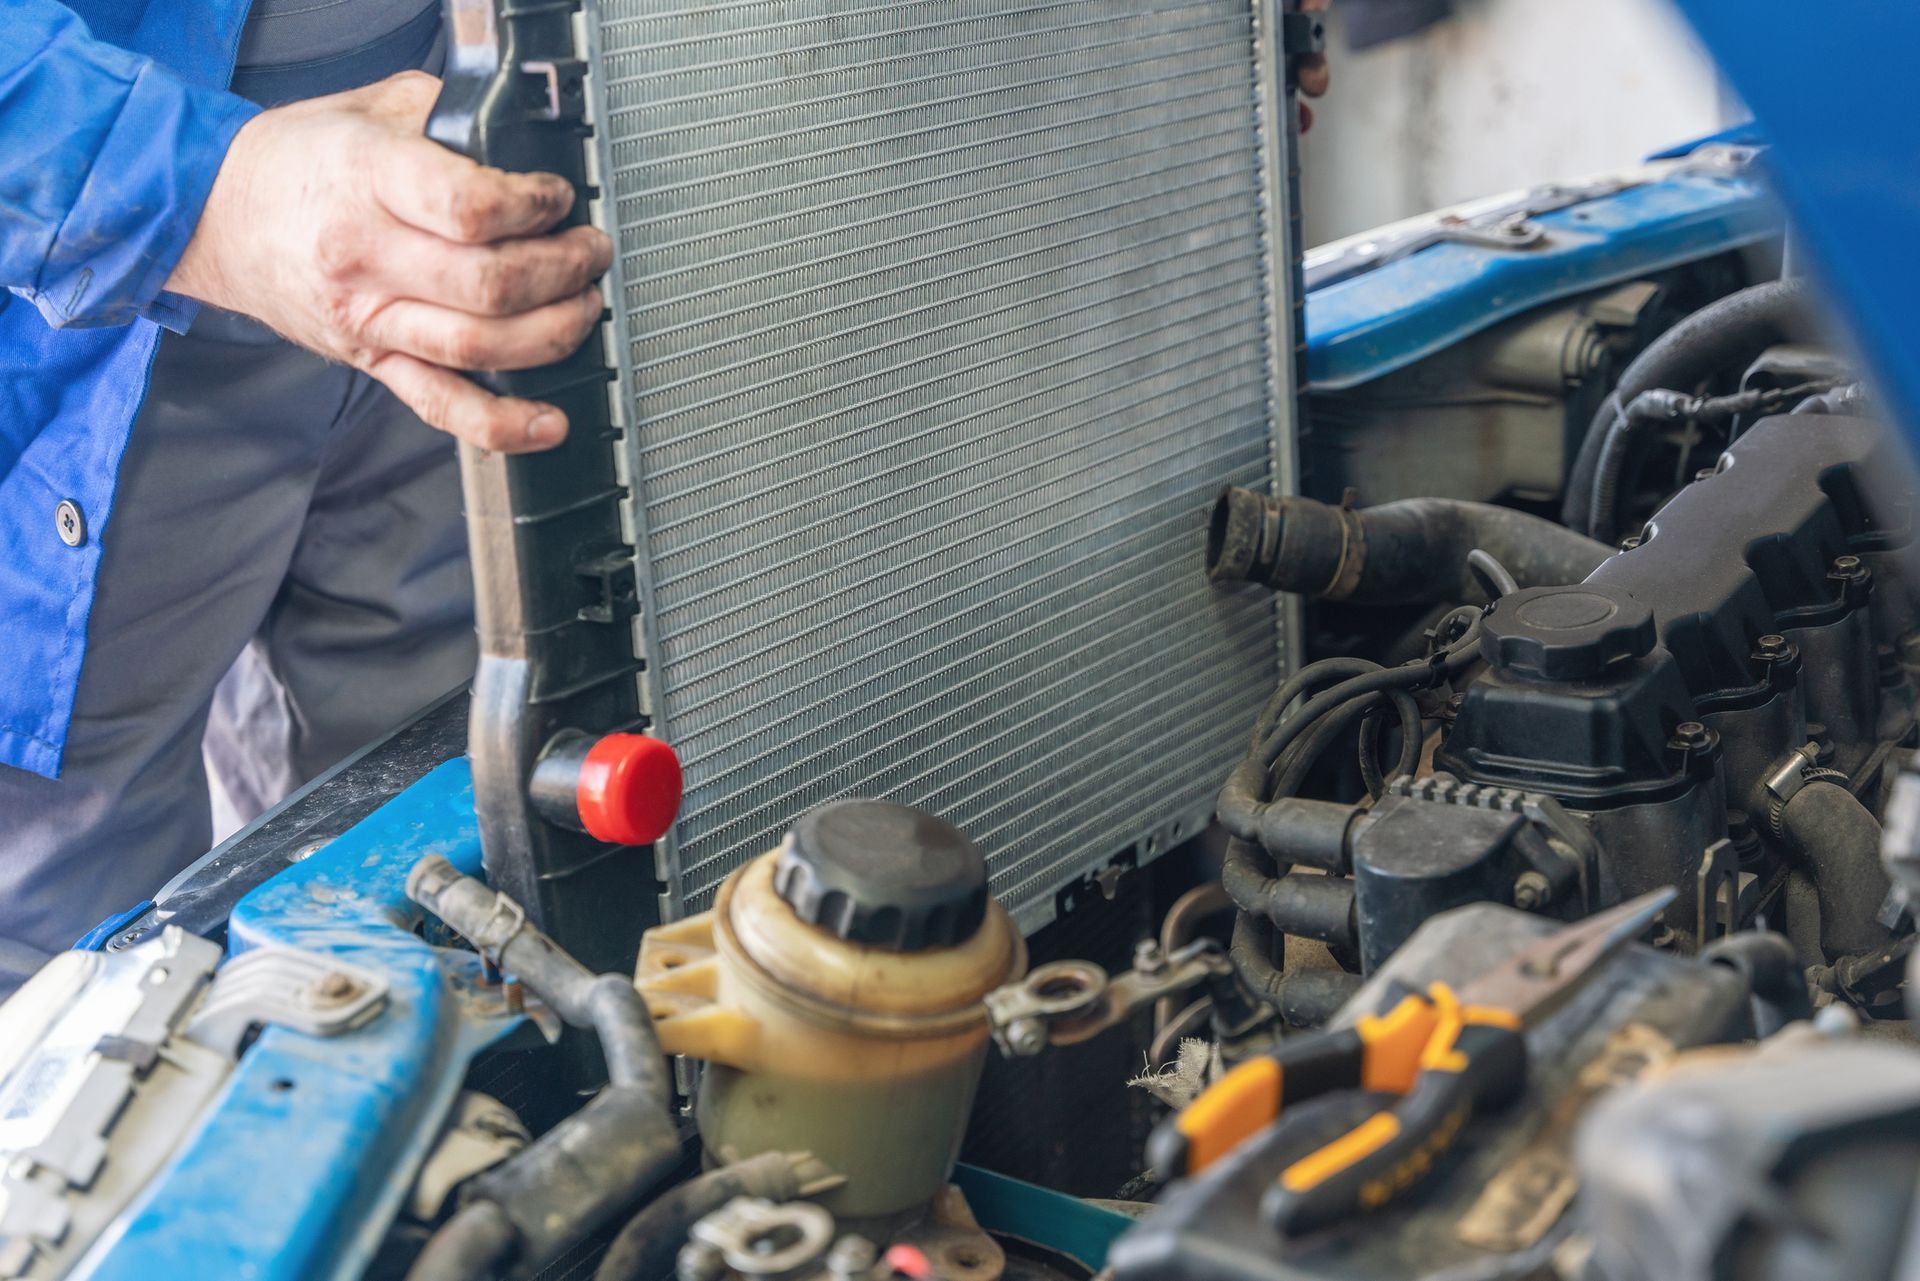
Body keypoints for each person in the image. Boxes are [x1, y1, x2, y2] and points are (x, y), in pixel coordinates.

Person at [0, 0, 1334, 996]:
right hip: (83, 242)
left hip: (504, 200)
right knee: (57, 988)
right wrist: (193, 194)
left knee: (412, 917)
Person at [0, 0, 608, 993]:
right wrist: (207, 190)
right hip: (68, 276)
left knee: (387, 868)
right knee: (58, 983)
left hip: (443, 207)